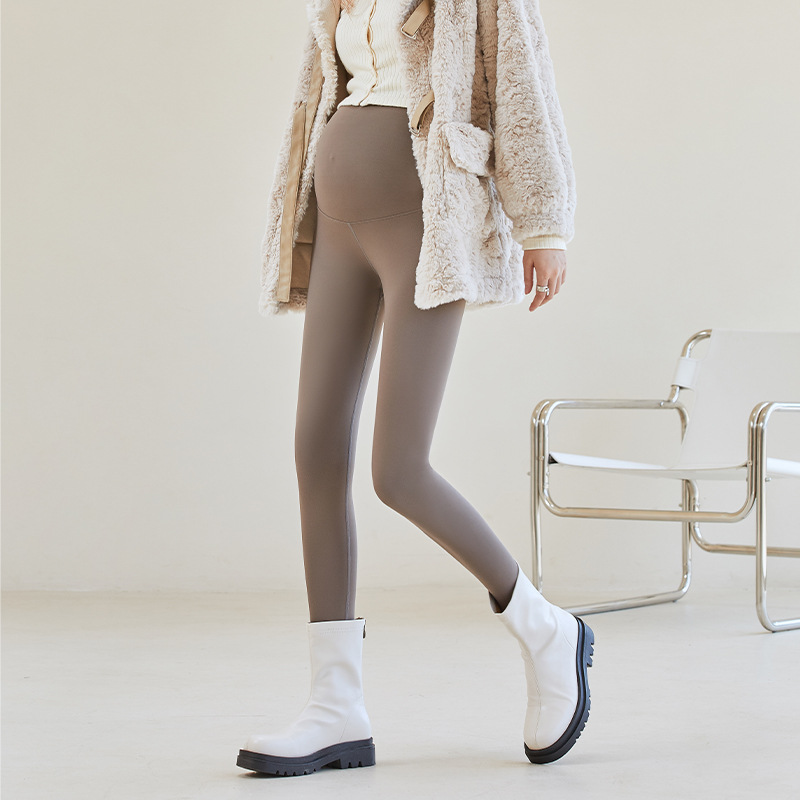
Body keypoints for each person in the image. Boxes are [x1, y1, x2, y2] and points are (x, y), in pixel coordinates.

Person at [237, 0, 592, 776]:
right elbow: (324, 84)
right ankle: (335, 707)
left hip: (427, 220)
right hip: (339, 222)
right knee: (315, 448)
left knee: (398, 470)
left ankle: (546, 629)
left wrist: (545, 227)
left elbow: (522, 82)